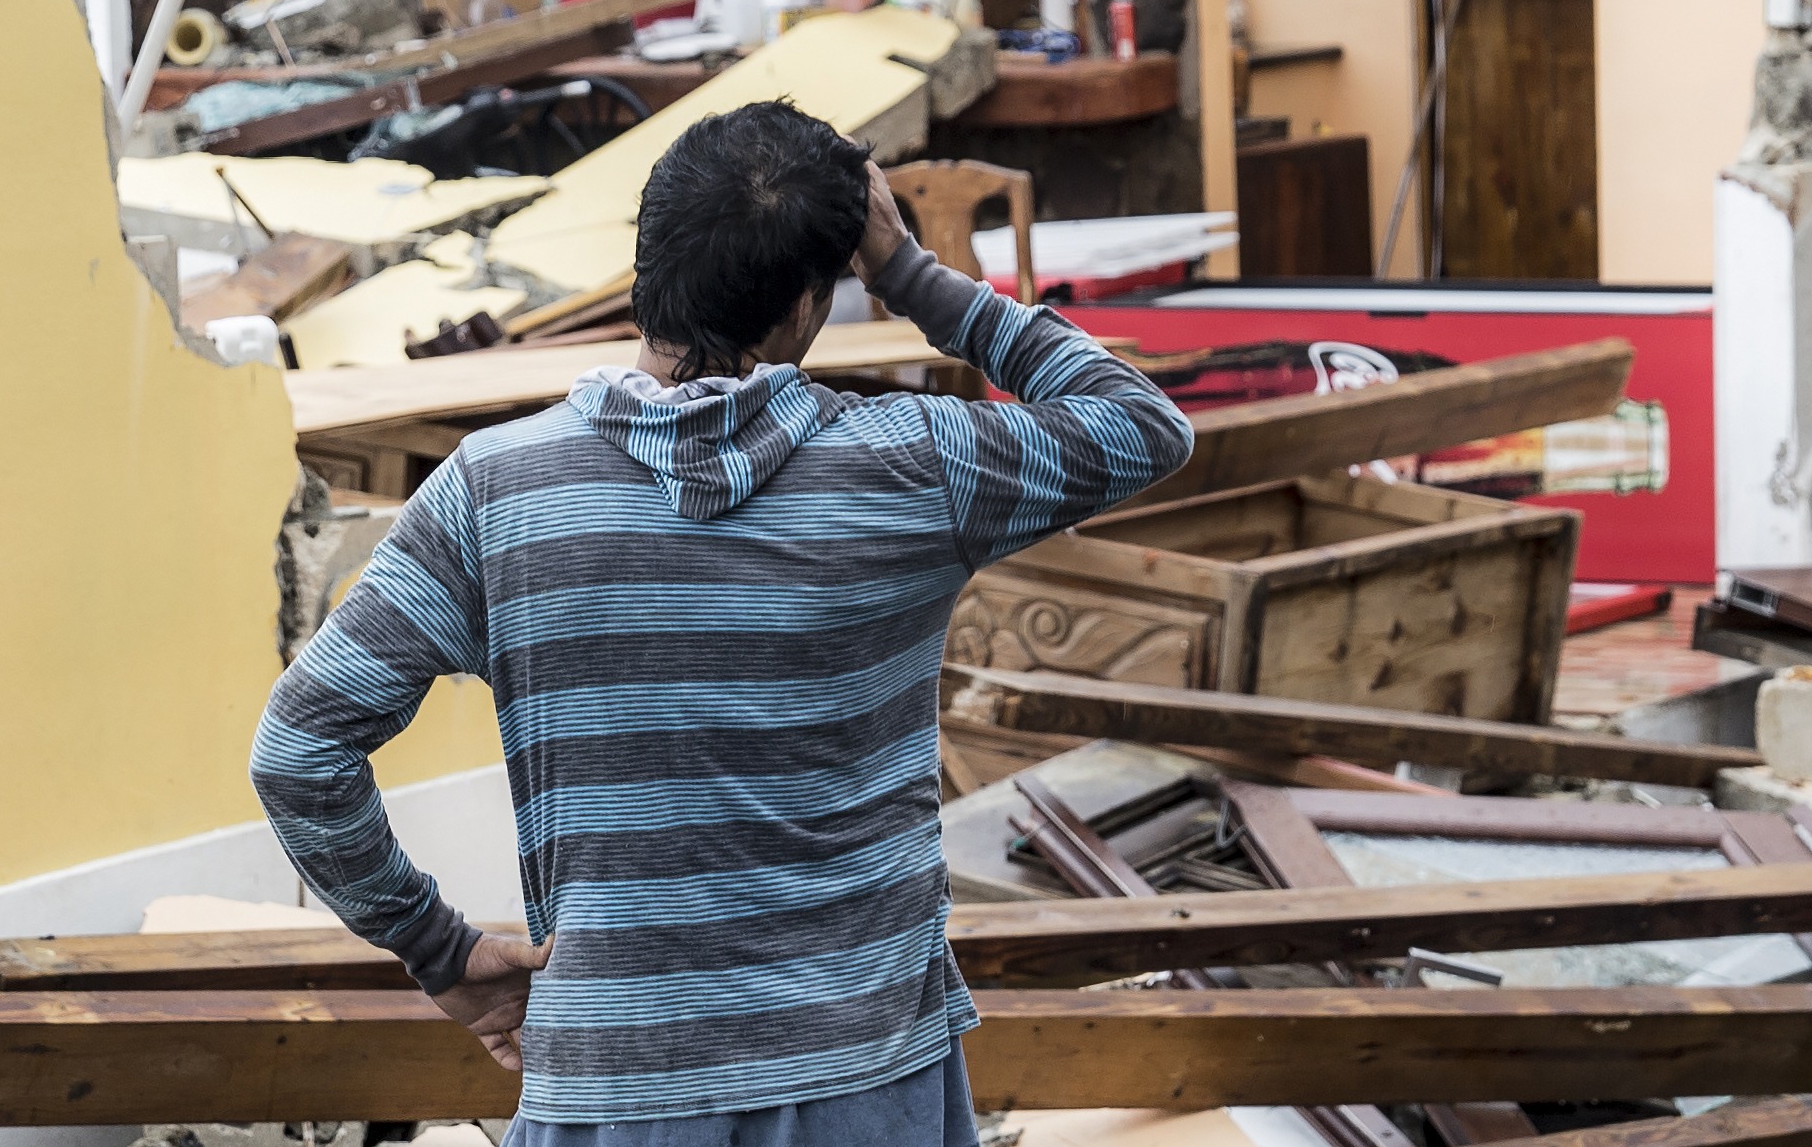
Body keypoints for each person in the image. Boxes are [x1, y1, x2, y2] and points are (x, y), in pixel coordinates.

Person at [251, 99, 1192, 1142]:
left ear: (647, 262)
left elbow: (299, 752)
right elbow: (1142, 424)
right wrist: (911, 275)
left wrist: (438, 948)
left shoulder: (495, 494)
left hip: (613, 1091)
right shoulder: (914, 465)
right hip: (862, 1082)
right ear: (803, 303)